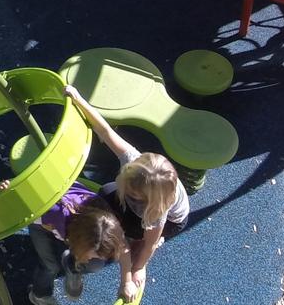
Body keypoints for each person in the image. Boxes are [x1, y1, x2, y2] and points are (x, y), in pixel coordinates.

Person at [62, 84, 190, 303]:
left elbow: (149, 242)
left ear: (141, 197)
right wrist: (79, 99)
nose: (123, 186)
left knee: (133, 239)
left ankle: (133, 243)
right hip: (140, 204)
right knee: (105, 193)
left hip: (169, 221)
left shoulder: (155, 211)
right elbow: (105, 130)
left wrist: (138, 269)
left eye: (129, 190)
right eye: (125, 181)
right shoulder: (133, 161)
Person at [0, 178, 125, 304]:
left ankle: (73, 266)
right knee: (50, 265)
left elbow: (120, 246)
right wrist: (8, 192)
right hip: (43, 224)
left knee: (95, 263)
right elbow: (22, 209)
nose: (90, 258)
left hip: (73, 228)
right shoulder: (54, 214)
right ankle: (40, 295)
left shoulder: (107, 224)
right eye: (90, 254)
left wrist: (128, 280)